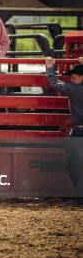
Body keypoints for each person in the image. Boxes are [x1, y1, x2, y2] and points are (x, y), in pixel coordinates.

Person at [45, 57, 83, 194]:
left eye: (74, 77)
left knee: (72, 164)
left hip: (79, 132)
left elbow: (54, 82)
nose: (71, 80)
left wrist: (50, 66)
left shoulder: (74, 89)